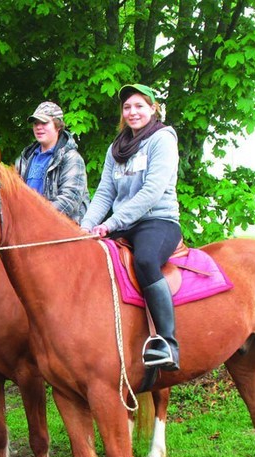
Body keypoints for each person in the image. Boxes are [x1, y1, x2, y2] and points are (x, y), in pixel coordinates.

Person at [80, 84, 181, 370]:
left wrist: (111, 223)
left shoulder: (162, 140)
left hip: (157, 220)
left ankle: (167, 343)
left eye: (139, 106)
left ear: (153, 108)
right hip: (123, 224)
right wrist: (86, 227)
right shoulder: (117, 147)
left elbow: (152, 191)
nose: (133, 112)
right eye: (127, 107)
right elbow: (104, 193)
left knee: (146, 260)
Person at [15, 101, 89, 224]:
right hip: (27, 228)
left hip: (64, 231)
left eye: (44, 123)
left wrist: (34, 215)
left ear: (58, 126)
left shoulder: (72, 159)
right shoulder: (25, 159)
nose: (38, 127)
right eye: (35, 123)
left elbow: (69, 201)